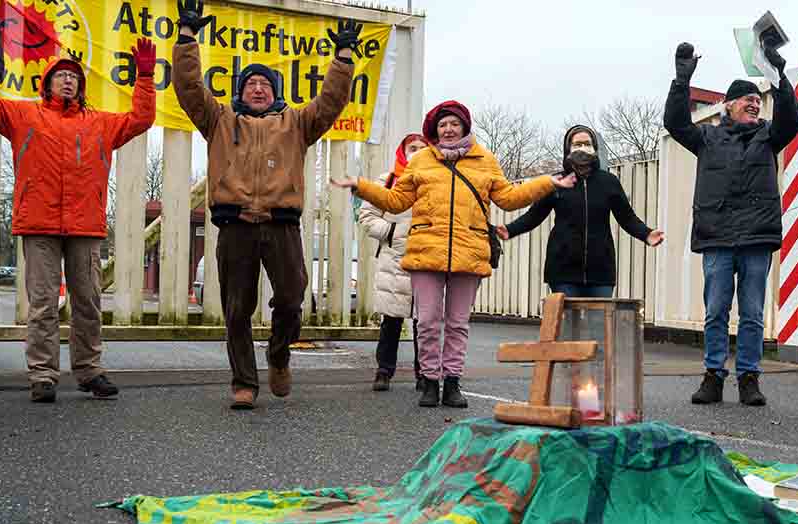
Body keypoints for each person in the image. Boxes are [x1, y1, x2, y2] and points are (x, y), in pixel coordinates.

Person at [172, 0, 358, 409]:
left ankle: (278, 354)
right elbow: (187, 88)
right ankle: (244, 382)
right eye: (251, 84)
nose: (258, 89)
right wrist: (186, 38)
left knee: (292, 298)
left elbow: (330, 103)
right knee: (237, 308)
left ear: (275, 92)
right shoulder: (219, 120)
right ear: (240, 91)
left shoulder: (296, 123)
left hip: (281, 225)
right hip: (235, 225)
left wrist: (342, 59)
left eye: (266, 84)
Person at [331, 100, 576, 408]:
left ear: (464, 127)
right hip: (425, 252)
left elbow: (509, 198)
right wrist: (361, 186)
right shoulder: (420, 161)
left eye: (454, 124)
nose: (448, 129)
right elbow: (395, 201)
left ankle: (453, 384)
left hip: (469, 252)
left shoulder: (485, 160)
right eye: (442, 125)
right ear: (435, 130)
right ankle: (431, 382)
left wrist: (547, 182)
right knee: (428, 321)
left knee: (458, 323)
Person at [0, 41, 156, 403]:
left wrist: (146, 76)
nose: (67, 81)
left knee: (88, 302)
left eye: (73, 77)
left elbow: (141, 119)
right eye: (60, 76)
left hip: (85, 227)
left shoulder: (100, 124)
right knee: (43, 303)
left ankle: (89, 370)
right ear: (46, 83)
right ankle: (43, 375)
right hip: (39, 226)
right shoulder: (23, 116)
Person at [663, 41, 798, 407]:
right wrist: (681, 81)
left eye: (758, 100)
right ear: (728, 105)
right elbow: (675, 123)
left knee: (753, 314)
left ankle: (749, 379)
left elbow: (792, 120)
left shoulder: (769, 135)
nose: (755, 104)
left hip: (757, 236)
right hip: (717, 236)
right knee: (716, 312)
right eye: (747, 100)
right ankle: (712, 377)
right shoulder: (706, 137)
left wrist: (779, 74)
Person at [495, 125, 664, 297]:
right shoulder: (558, 181)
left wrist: (647, 234)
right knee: (567, 322)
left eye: (587, 143)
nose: (582, 148)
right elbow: (534, 216)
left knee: (597, 323)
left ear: (595, 149)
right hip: (563, 269)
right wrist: (510, 230)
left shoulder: (609, 182)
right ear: (568, 149)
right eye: (577, 144)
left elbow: (627, 217)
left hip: (601, 271)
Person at [357, 133, 428, 392]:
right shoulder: (387, 181)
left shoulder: (436, 182)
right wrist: (393, 233)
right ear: (402, 151)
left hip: (427, 257)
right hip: (393, 259)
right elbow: (366, 215)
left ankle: (426, 374)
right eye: (412, 147)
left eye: (422, 148)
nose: (417, 151)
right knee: (391, 320)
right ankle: (384, 370)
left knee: (426, 322)